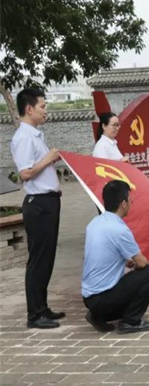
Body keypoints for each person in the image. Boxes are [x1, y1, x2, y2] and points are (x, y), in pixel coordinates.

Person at [10, 87, 64, 329]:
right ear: (29, 108)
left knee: (47, 257)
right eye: (42, 106)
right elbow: (26, 174)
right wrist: (49, 159)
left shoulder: (35, 135)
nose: (45, 110)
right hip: (39, 204)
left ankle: (42, 307)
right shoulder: (23, 138)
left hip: (49, 202)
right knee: (39, 260)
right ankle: (34, 314)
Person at [82, 180, 149, 334]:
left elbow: (106, 252)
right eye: (130, 199)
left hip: (89, 298)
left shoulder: (94, 223)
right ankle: (131, 321)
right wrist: (135, 265)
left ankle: (98, 315)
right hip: (103, 298)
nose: (131, 202)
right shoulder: (120, 229)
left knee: (130, 278)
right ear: (123, 204)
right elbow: (142, 263)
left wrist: (127, 262)